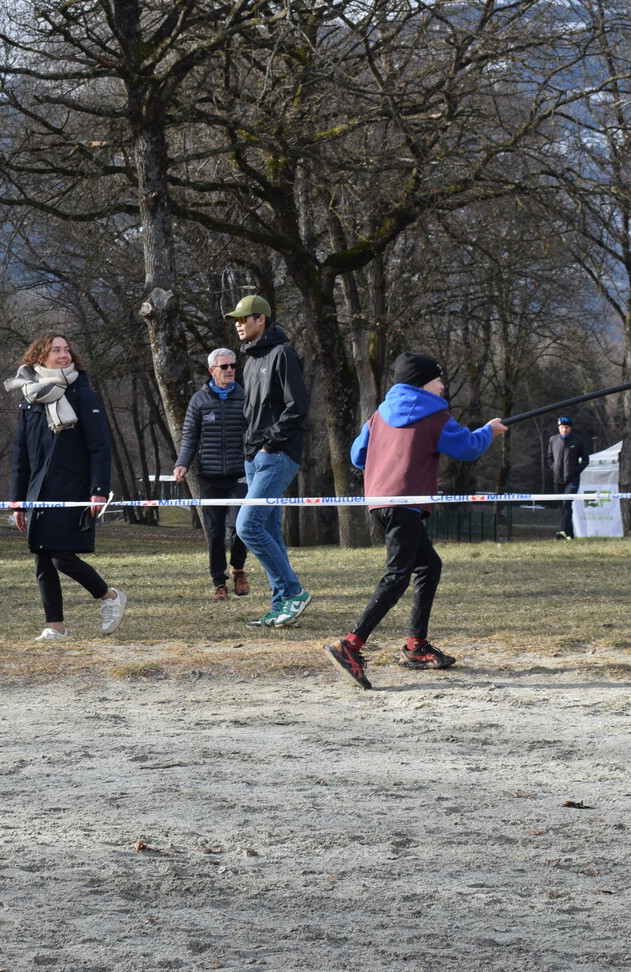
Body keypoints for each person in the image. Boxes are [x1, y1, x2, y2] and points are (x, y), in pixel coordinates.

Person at [326, 352, 507, 689]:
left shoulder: (379, 415)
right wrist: (488, 431)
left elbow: (357, 456)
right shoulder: (434, 414)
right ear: (422, 383)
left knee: (428, 566)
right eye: (438, 380)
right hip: (405, 504)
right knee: (397, 576)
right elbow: (468, 448)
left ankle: (416, 647)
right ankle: (350, 644)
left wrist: (396, 459)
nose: (442, 387)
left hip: (380, 503)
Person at [6, 332, 126, 640]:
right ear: (39, 358)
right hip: (38, 491)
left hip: (74, 488)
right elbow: (21, 453)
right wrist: (17, 499)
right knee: (42, 558)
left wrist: (99, 490)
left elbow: (100, 447)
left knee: (61, 557)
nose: (64, 355)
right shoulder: (29, 399)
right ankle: (55, 627)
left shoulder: (82, 394)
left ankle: (109, 596)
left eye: (66, 350)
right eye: (55, 350)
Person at [224, 295, 311, 629]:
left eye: (243, 319)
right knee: (271, 530)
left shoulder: (283, 354)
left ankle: (294, 592)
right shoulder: (249, 361)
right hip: (254, 458)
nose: (238, 325)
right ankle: (281, 607)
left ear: (261, 319)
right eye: (236, 320)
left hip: (277, 455)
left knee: (247, 526)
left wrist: (269, 444)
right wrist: (251, 450)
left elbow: (297, 407)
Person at [173, 347, 251, 601]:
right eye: (224, 366)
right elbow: (189, 436)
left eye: (233, 366)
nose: (230, 370)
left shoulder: (246, 396)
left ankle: (238, 568)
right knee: (215, 531)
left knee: (242, 525)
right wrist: (182, 463)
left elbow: (256, 431)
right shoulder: (199, 400)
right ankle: (219, 582)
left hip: (240, 474)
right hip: (209, 475)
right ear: (211, 371)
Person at [547, 416, 590, 539]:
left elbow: (586, 459)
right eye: (562, 427)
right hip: (557, 479)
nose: (564, 430)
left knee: (566, 503)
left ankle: (563, 532)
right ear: (558, 428)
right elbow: (549, 457)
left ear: (570, 428)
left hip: (572, 480)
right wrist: (553, 468)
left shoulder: (578, 440)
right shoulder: (553, 440)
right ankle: (570, 534)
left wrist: (576, 471)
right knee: (563, 506)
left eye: (566, 427)